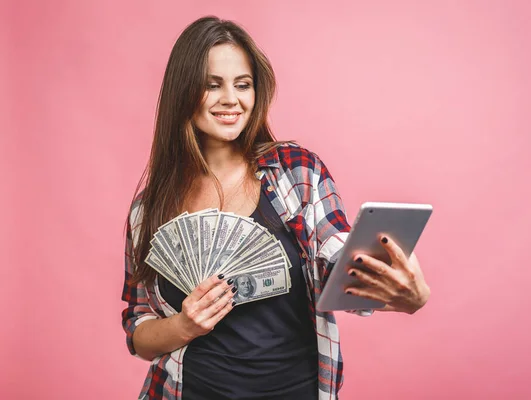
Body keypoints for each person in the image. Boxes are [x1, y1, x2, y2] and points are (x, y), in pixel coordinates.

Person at [121, 16, 431, 400]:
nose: (231, 100)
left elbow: (338, 263)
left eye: (243, 85)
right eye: (212, 85)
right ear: (184, 91)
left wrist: (402, 293)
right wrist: (185, 325)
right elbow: (139, 329)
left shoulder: (296, 172)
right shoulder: (149, 208)